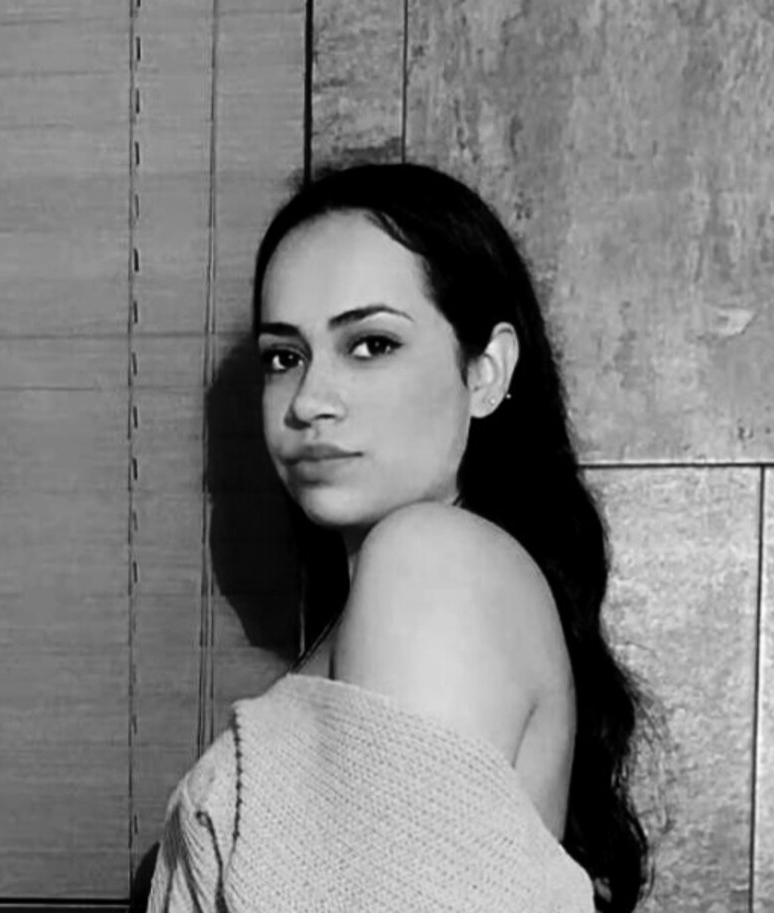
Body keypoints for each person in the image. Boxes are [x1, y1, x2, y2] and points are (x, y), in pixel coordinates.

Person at [142, 163, 654, 913]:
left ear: (486, 371)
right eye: (285, 356)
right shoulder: (403, 596)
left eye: (371, 344)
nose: (309, 401)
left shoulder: (431, 564)